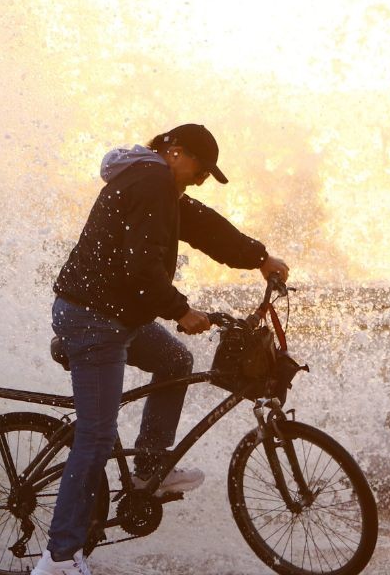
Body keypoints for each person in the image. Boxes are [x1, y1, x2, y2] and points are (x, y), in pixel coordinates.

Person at [32, 124, 290, 575]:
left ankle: (150, 468)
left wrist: (259, 258)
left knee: (175, 360)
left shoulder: (158, 185)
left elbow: (205, 227)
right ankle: (59, 558)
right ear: (175, 152)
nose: (201, 180)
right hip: (94, 319)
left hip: (113, 315)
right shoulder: (151, 180)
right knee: (96, 436)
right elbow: (140, 265)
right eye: (200, 170)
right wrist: (180, 310)